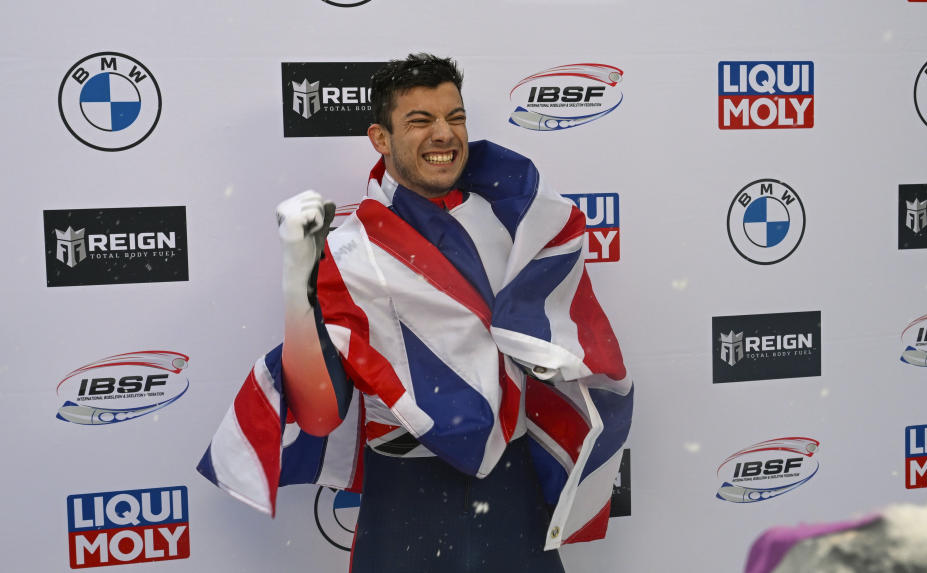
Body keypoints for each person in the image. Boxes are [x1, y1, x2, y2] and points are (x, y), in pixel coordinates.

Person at [199, 54, 632, 573]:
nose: (444, 134)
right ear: (380, 138)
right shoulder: (349, 251)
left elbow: (565, 344)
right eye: (420, 121)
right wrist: (300, 282)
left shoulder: (524, 226)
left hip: (513, 484)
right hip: (407, 498)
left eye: (455, 117)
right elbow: (320, 411)